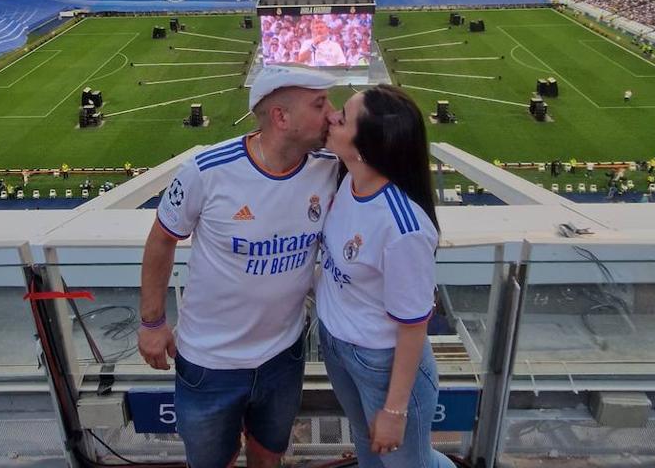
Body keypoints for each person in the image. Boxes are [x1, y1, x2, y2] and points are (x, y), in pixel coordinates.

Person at [137, 65, 339, 468]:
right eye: (319, 104)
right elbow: (161, 239)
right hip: (209, 364)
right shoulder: (206, 171)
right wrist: (152, 322)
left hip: (283, 357)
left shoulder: (329, 167)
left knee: (269, 455)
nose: (332, 113)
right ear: (281, 117)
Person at [317, 84, 455, 468]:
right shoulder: (349, 179)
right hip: (338, 346)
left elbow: (413, 326)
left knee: (408, 463)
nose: (331, 117)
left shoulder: (403, 229)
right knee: (368, 450)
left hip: (381, 363)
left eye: (341, 118)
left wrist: (395, 411)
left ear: (364, 148)